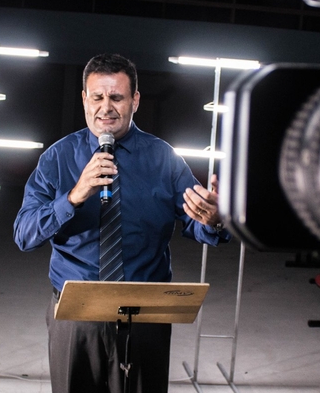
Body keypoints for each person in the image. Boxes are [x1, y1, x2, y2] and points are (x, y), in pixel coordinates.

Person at [13, 53, 230, 393]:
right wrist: (74, 196)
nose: (106, 108)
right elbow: (24, 235)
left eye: (117, 97)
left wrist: (215, 220)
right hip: (76, 314)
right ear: (84, 99)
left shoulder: (164, 159)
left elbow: (196, 224)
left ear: (135, 100)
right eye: (97, 97)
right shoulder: (58, 157)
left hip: (144, 315)